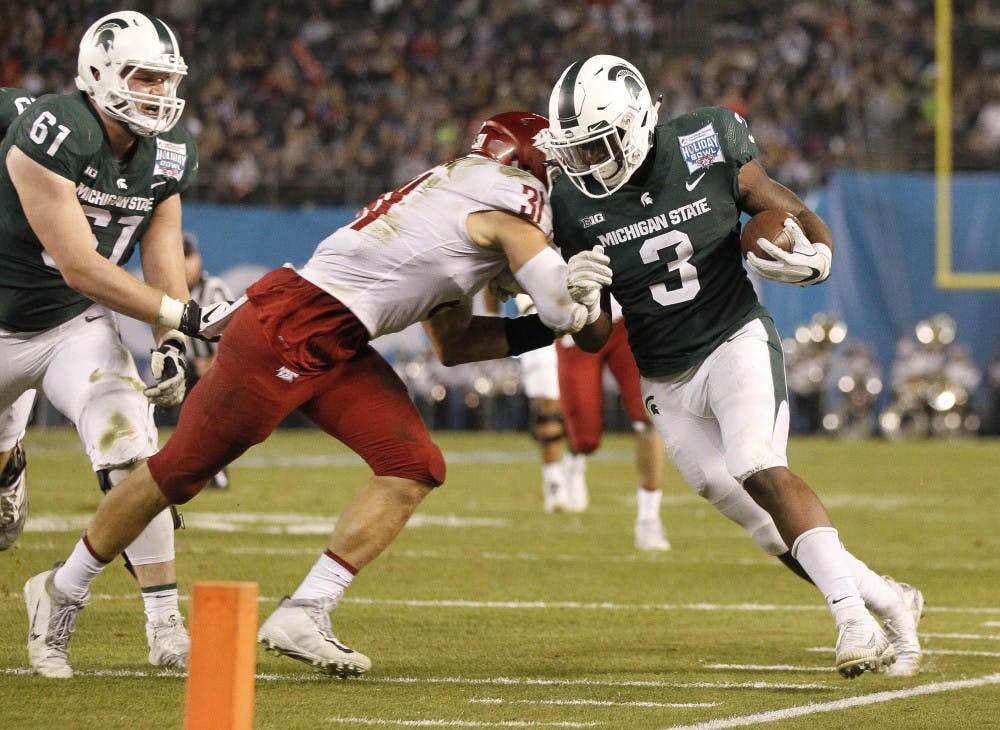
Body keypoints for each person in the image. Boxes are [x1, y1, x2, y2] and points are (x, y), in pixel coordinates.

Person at [23, 111, 612, 678]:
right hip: (287, 332)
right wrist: (575, 300)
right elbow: (562, 306)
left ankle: (305, 613)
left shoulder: (455, 198)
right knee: (175, 474)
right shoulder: (508, 200)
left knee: (413, 464)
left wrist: (547, 321)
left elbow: (456, 344)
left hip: (335, 338)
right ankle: (61, 588)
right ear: (530, 165)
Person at [543, 54, 922, 678]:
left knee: (757, 464)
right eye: (576, 151)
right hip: (663, 373)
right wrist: (578, 303)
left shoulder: (703, 139)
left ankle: (853, 621)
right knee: (769, 528)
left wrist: (820, 253)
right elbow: (595, 338)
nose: (586, 164)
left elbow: (778, 203)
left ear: (636, 122)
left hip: (732, 336)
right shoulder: (573, 202)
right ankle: (890, 600)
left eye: (600, 145)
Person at [2, 12, 235, 679]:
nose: (159, 91)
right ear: (100, 74)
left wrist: (167, 338)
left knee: (132, 445)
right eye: (144, 76)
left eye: (167, 78)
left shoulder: (168, 150)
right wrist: (187, 317)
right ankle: (9, 461)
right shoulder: (54, 128)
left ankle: (164, 619)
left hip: (70, 326)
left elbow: (161, 246)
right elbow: (79, 263)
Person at [556, 295, 670, 550]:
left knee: (648, 415)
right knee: (585, 439)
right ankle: (574, 461)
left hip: (626, 317)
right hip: (577, 321)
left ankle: (648, 518)